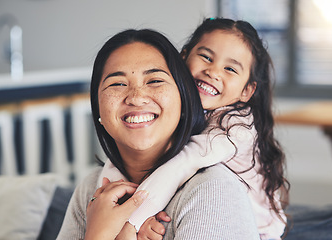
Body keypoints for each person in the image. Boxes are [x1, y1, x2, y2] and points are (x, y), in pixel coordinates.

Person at [57, 28, 260, 240]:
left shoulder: (213, 190)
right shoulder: (92, 189)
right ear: (98, 109)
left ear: (184, 100)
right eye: (117, 83)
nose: (136, 97)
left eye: (154, 81)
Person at [101, 18, 289, 240]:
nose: (213, 71)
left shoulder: (235, 129)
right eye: (206, 57)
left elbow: (179, 166)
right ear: (183, 58)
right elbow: (125, 161)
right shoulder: (178, 107)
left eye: (230, 68)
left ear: (246, 91)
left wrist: (132, 221)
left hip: (258, 231)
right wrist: (104, 200)